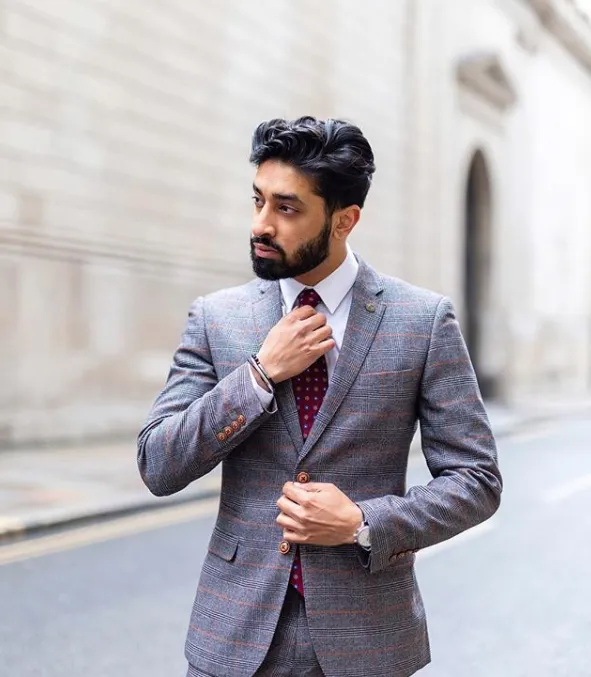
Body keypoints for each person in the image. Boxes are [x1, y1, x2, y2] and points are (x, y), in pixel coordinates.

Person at [137, 116, 502, 677]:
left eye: (287, 208)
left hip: (368, 642)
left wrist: (361, 520)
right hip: (234, 639)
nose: (261, 224)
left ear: (344, 219)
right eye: (257, 200)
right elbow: (158, 464)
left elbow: (476, 481)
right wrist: (259, 373)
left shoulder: (422, 320)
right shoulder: (217, 318)